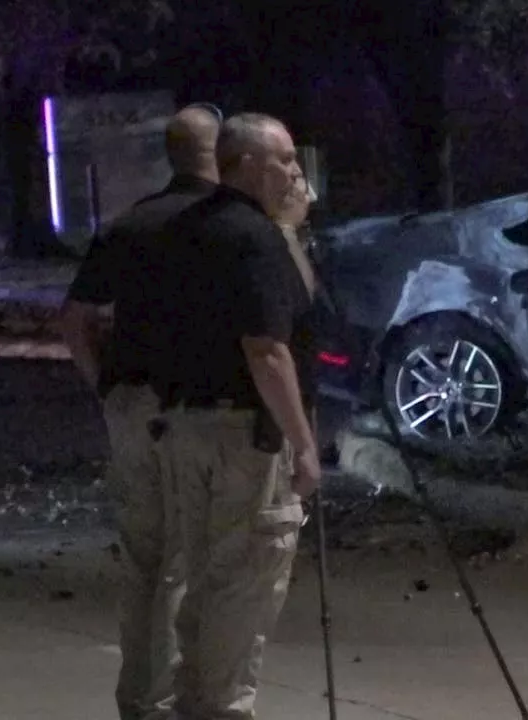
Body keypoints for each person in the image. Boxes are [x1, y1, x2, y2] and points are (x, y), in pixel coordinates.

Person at [138, 111, 321, 720]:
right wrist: (304, 442)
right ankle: (220, 707)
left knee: (204, 580)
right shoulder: (253, 238)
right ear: (242, 163)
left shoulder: (182, 231)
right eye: (285, 161)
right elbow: (269, 350)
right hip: (243, 433)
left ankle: (195, 700)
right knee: (246, 583)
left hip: (182, 424)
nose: (296, 174)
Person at [55, 102, 223, 720]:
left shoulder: (129, 227)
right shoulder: (227, 228)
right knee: (193, 558)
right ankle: (183, 693)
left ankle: (140, 697)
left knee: (146, 559)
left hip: (132, 403)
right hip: (196, 407)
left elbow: (75, 319)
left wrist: (105, 385)